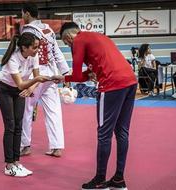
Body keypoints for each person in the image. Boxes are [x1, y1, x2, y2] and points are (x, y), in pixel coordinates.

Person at [52, 22, 137, 190]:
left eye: (66, 43)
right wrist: (65, 78)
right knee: (122, 132)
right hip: (130, 81)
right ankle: (119, 179)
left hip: (112, 85)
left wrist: (65, 78)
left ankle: (99, 180)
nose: (69, 45)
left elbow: (77, 75)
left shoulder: (77, 41)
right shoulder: (98, 37)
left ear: (68, 37)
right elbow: (87, 75)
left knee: (104, 134)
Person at [0, 33, 51, 177]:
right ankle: (9, 165)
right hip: (5, 90)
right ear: (24, 48)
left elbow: (35, 80)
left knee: (19, 125)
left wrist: (31, 87)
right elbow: (21, 83)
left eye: (37, 47)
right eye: (34, 47)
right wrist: (35, 81)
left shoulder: (34, 56)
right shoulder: (13, 59)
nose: (37, 50)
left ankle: (16, 162)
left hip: (20, 90)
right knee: (10, 126)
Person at [20, 3, 70, 157]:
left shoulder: (27, 31)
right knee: (54, 110)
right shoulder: (48, 29)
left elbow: (26, 56)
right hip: (51, 74)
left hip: (35, 75)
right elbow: (57, 52)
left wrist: (23, 80)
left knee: (26, 110)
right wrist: (66, 73)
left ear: (27, 14)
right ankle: (56, 147)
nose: (22, 16)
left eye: (22, 13)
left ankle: (25, 145)